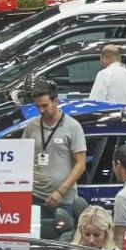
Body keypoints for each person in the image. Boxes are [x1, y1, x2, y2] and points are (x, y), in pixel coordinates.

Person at [23, 82, 87, 239]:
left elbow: (81, 164)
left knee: (62, 246)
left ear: (56, 101)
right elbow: (23, 158)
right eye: (38, 106)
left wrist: (60, 192)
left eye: (45, 105)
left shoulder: (73, 127)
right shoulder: (32, 126)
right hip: (36, 197)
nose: (41, 110)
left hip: (63, 200)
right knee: (37, 245)